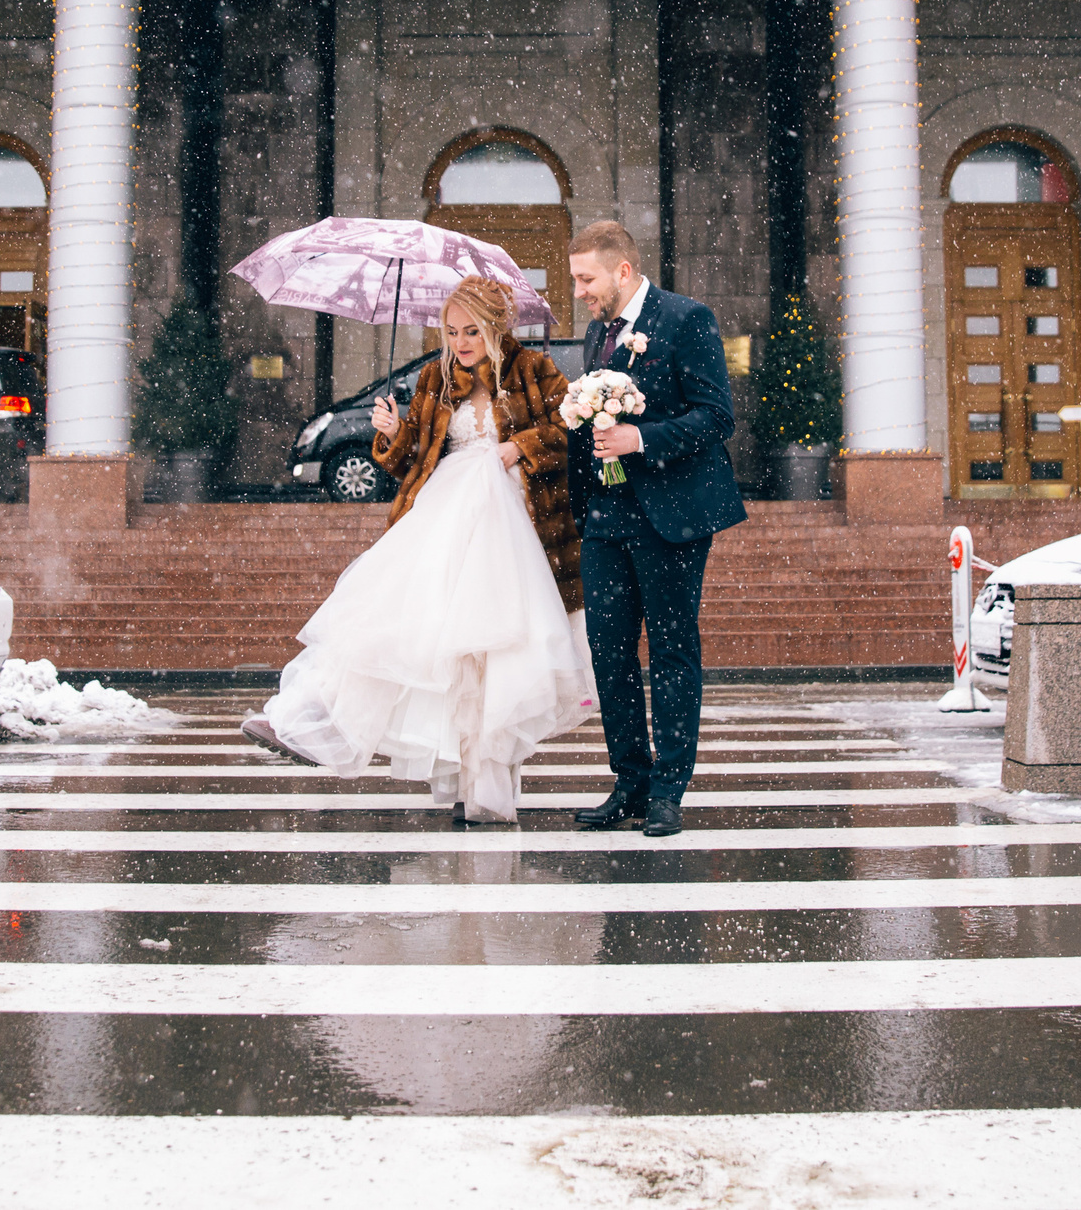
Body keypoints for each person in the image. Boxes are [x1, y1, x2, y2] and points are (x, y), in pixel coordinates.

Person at [241, 278, 593, 823]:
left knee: (494, 653)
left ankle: (486, 789)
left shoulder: (534, 371)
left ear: (495, 327)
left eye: (471, 331)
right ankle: (307, 719)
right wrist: (391, 432)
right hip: (444, 514)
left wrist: (517, 446)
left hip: (515, 525)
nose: (460, 343)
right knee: (402, 625)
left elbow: (569, 432)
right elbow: (414, 460)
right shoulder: (435, 377)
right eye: (451, 332)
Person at [563, 220, 747, 838]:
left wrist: (640, 439)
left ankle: (669, 790)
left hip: (671, 516)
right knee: (608, 653)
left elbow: (716, 416)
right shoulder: (597, 332)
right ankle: (630, 783)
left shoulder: (687, 319)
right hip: (605, 516)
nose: (580, 292)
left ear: (622, 270)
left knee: (670, 651)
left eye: (586, 279)